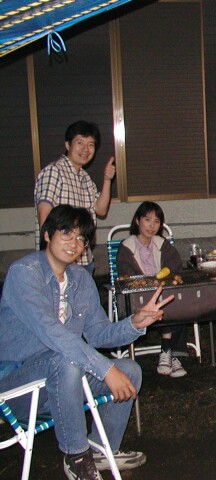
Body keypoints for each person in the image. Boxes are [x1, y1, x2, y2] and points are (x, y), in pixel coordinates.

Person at [0, 205, 173, 480]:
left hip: (62, 381)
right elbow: (51, 332)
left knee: (130, 370)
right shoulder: (24, 273)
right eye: (66, 233)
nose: (74, 243)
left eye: (81, 238)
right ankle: (77, 457)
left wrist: (135, 323)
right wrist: (105, 369)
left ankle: (101, 450)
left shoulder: (80, 279)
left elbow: (98, 333)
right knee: (66, 359)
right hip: (17, 387)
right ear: (47, 235)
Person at [34, 120, 116, 274]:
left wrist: (107, 180)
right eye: (80, 143)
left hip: (83, 258)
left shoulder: (85, 178)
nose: (86, 149)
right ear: (67, 145)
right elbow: (44, 214)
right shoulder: (54, 171)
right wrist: (52, 256)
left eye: (91, 144)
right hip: (60, 260)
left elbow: (101, 210)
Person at [116, 201, 188, 378]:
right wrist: (151, 283)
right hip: (140, 297)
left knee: (181, 301)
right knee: (166, 303)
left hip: (163, 293)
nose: (151, 226)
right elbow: (127, 275)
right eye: (147, 220)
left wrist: (163, 279)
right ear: (137, 221)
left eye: (156, 221)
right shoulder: (127, 247)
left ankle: (168, 353)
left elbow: (175, 266)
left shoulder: (161, 244)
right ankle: (169, 351)